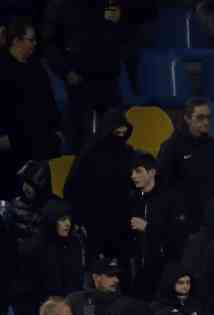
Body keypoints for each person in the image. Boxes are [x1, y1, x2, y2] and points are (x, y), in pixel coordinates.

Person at [41, 0, 130, 151]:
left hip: (107, 78)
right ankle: (79, 171)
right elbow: (49, 43)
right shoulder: (60, 5)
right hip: (78, 79)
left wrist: (118, 24)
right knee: (78, 139)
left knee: (116, 133)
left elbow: (127, 34)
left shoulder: (111, 2)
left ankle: (114, 170)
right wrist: (65, 71)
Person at [0, 18, 62, 196]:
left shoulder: (36, 67)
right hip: (13, 145)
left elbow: (49, 100)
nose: (35, 44)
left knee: (41, 191)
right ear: (16, 40)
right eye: (31, 40)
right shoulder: (3, 67)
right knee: (16, 193)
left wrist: (56, 129)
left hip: (39, 141)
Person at [62, 109, 134, 262]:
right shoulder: (90, 153)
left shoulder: (127, 152)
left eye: (123, 134)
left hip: (121, 218)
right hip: (94, 219)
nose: (120, 138)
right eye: (116, 133)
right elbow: (72, 187)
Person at [156, 98, 214, 235]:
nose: (206, 122)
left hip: (211, 221)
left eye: (208, 117)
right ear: (187, 119)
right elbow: (162, 185)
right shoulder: (171, 147)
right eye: (200, 118)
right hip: (181, 221)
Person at [127, 151, 189, 300]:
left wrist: (148, 228)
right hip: (138, 272)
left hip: (164, 273)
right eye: (132, 172)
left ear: (152, 172)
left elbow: (179, 234)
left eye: (138, 171)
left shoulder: (172, 199)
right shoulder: (132, 199)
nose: (133, 176)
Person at [35, 199, 87, 299]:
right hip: (48, 307)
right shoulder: (38, 246)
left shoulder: (74, 243)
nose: (68, 223)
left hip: (73, 301)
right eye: (62, 219)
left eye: (69, 219)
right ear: (51, 220)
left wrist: (88, 313)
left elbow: (79, 280)